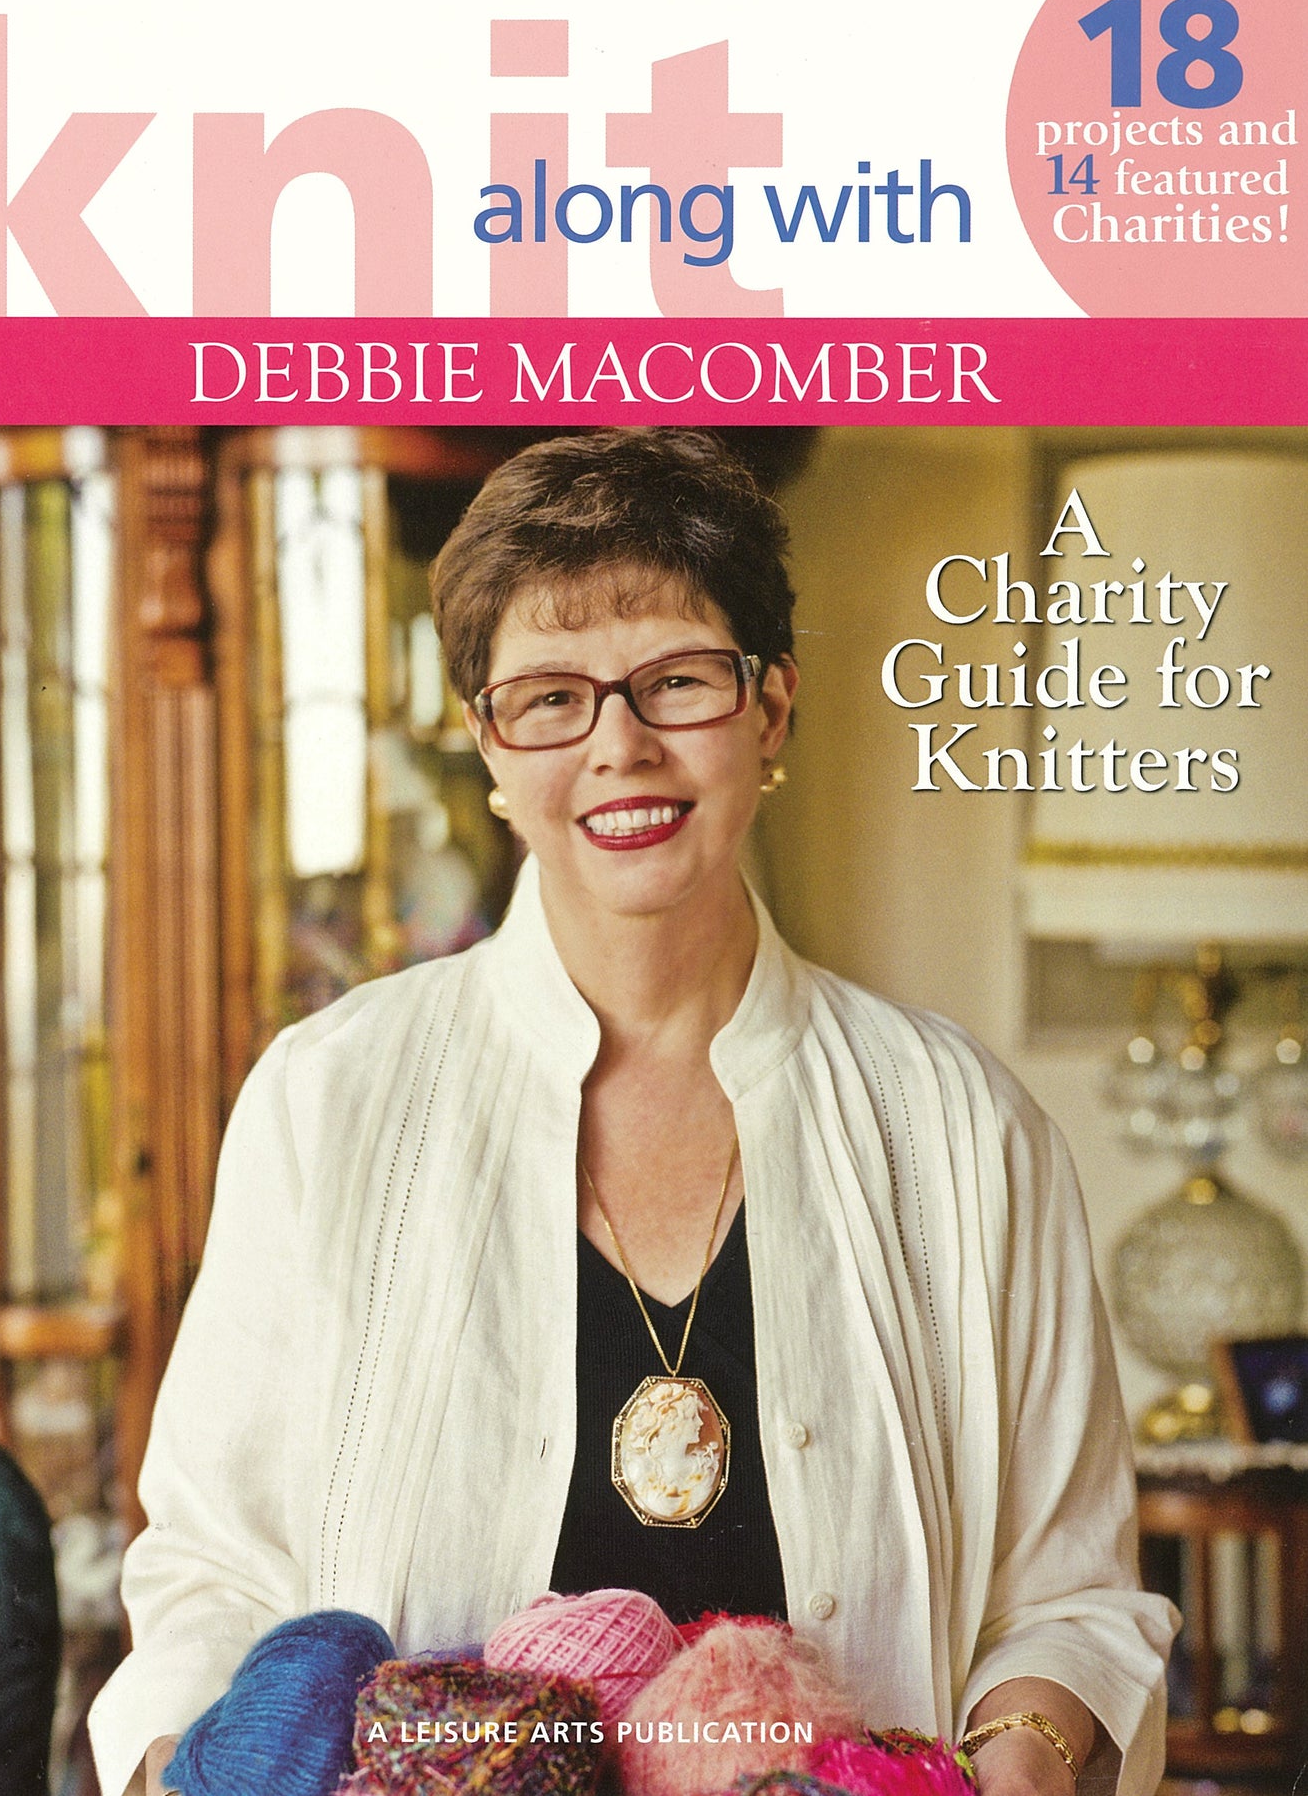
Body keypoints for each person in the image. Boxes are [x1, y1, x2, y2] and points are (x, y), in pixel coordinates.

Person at [89, 428, 1175, 1796]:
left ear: (771, 708)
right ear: (486, 742)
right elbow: (212, 1569)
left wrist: (1015, 1762)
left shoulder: (962, 1129)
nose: (619, 745)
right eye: (548, 696)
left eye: (675, 680)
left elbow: (1067, 1596)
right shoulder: (328, 1102)